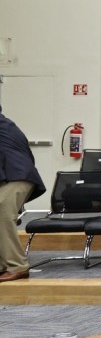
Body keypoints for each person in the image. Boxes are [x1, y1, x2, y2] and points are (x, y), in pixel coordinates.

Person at [0, 110, 46, 283]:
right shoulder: (7, 124)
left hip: (16, 176)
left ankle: (17, 266)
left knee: (3, 215)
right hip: (16, 175)